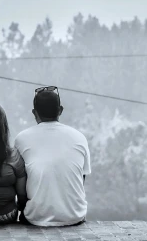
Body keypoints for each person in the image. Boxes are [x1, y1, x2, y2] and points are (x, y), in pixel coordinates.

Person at [13, 86, 91, 226]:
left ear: (34, 112)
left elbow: (20, 182)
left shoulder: (21, 139)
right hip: (75, 215)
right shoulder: (79, 137)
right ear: (60, 110)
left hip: (36, 217)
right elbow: (81, 178)